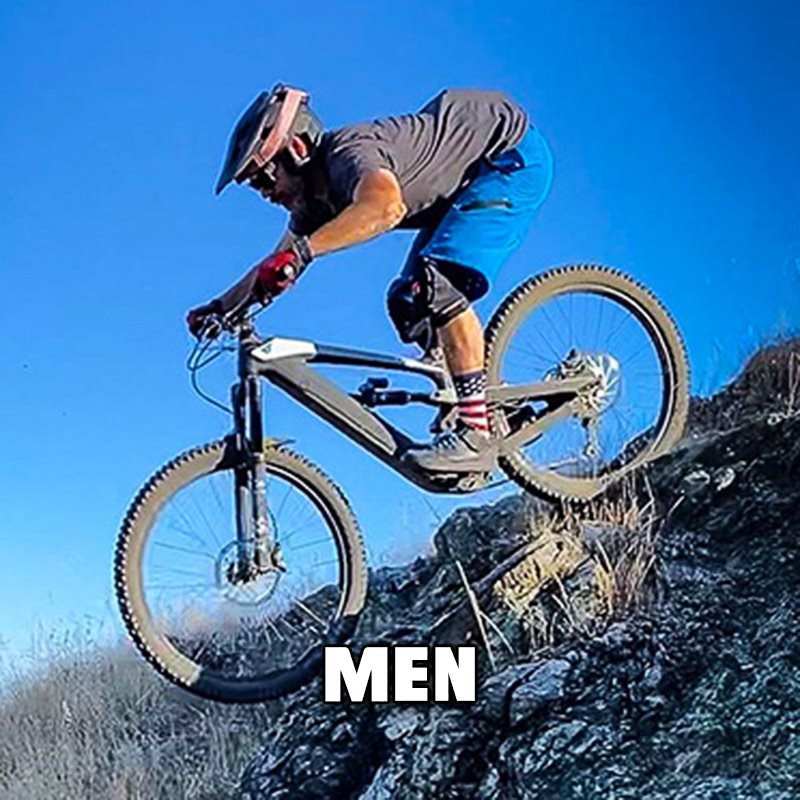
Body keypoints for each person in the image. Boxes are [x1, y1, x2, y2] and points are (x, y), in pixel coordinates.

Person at [187, 85, 554, 472]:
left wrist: (302, 254)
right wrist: (219, 308)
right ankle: (491, 403)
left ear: (296, 149)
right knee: (408, 302)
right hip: (458, 187)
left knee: (439, 286)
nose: (264, 194)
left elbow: (385, 207)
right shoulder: (311, 203)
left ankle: (475, 431)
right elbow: (276, 262)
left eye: (264, 179)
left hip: (507, 158)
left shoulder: (350, 152)